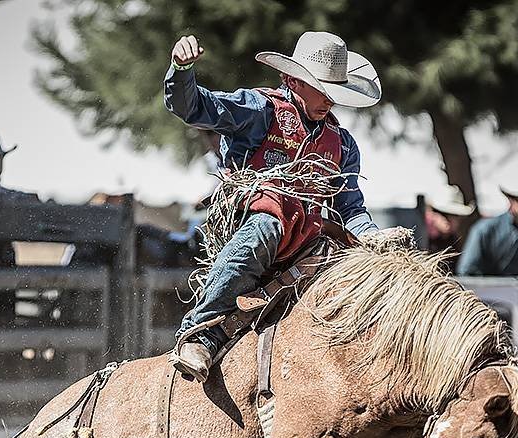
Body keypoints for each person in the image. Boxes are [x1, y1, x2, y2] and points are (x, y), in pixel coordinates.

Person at [163, 31, 381, 381]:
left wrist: (374, 240)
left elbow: (350, 207)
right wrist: (182, 70)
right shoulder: (259, 110)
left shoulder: (341, 143)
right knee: (270, 220)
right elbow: (194, 107)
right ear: (292, 79)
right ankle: (200, 330)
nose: (329, 101)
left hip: (306, 239)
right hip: (247, 221)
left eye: (333, 93)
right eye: (322, 90)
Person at [425, 183, 475, 257]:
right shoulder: (420, 236)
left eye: (455, 215)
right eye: (442, 214)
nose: (446, 220)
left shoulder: (452, 242)